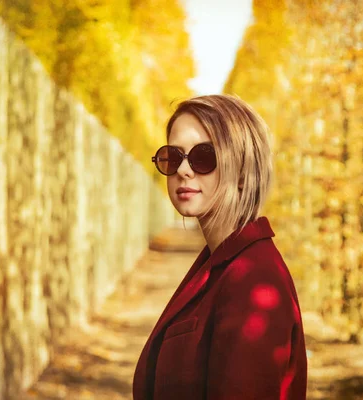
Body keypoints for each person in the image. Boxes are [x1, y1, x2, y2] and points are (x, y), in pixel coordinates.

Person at [132, 94, 307, 400]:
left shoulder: (254, 280)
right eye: (173, 157)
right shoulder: (220, 264)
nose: (183, 171)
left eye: (204, 156)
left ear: (242, 172)